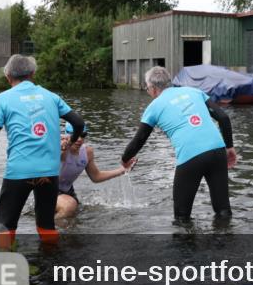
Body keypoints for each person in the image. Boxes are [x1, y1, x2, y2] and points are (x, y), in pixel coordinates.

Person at [0, 54, 86, 246]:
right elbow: (78, 122)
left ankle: (6, 266)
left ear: (8, 75)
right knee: (46, 226)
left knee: (6, 226)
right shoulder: (51, 96)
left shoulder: (3, 99)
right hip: (50, 173)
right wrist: (72, 141)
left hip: (19, 172)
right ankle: (51, 268)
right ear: (33, 74)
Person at [122, 66, 237, 225]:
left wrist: (125, 159)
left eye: (148, 89)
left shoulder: (154, 106)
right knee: (223, 210)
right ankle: (224, 243)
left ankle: (186, 248)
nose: (148, 92)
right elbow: (223, 118)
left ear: (154, 89)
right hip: (217, 151)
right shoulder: (194, 91)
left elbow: (139, 140)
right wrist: (229, 148)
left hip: (191, 156)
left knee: (182, 217)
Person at [55, 122, 137, 220]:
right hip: (47, 191)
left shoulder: (87, 152)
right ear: (66, 135)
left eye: (83, 135)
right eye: (76, 135)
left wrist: (123, 170)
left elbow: (96, 176)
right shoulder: (57, 147)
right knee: (69, 206)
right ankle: (47, 231)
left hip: (67, 192)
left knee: (74, 219)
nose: (80, 139)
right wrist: (62, 150)